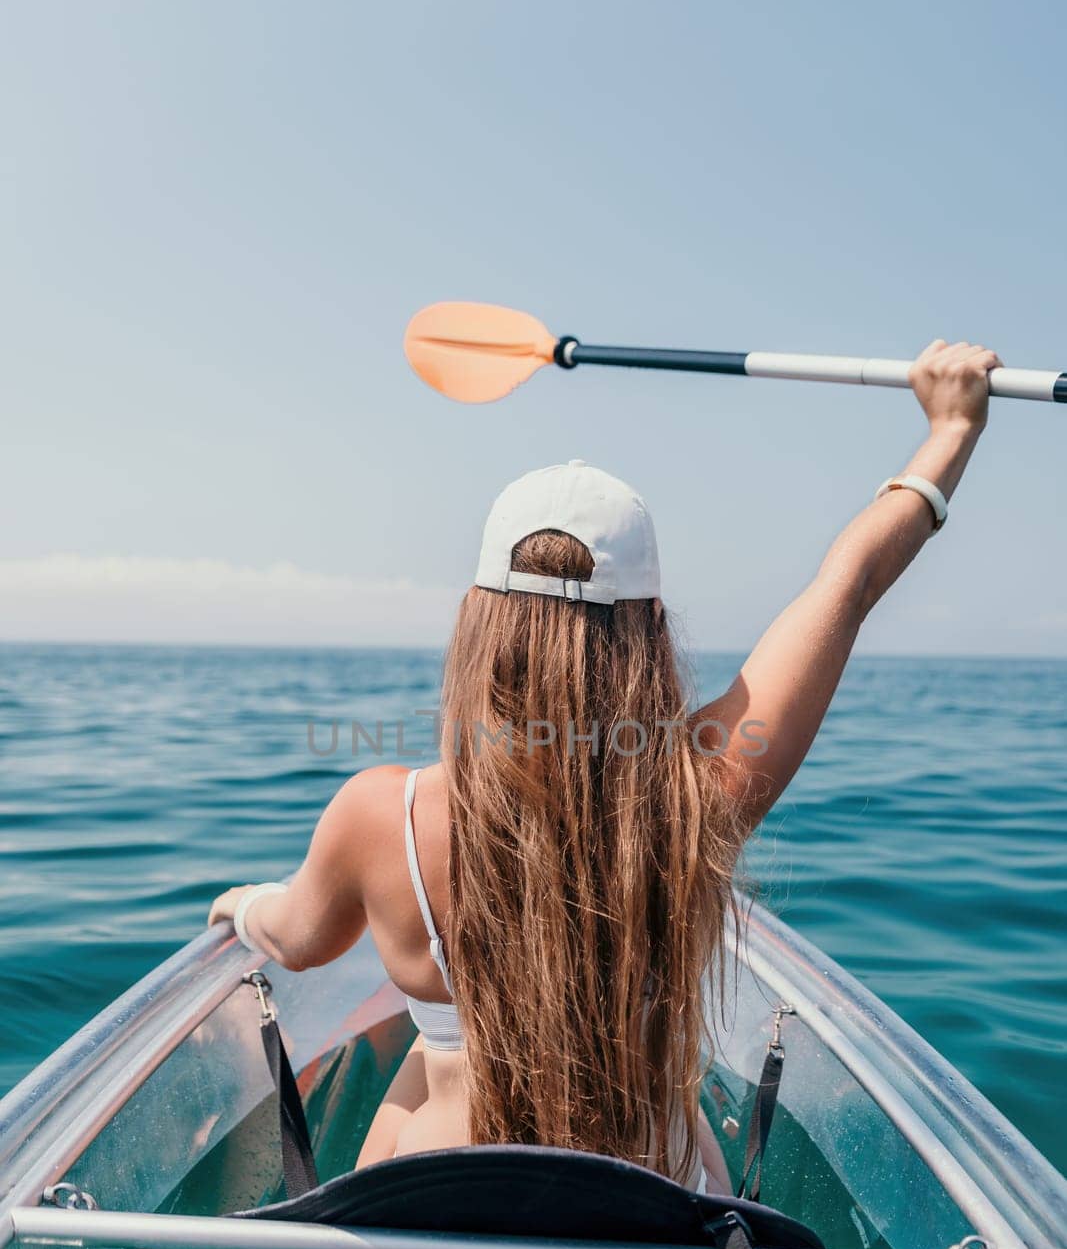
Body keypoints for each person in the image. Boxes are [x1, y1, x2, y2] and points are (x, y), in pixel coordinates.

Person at [209, 338, 1001, 1195]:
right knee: (680, 1113)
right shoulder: (704, 789)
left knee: (427, 1065)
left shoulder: (380, 817)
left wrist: (240, 903)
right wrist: (950, 428)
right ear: (651, 623)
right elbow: (845, 587)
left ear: (479, 618)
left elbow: (295, 939)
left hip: (437, 1224)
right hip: (645, 1225)